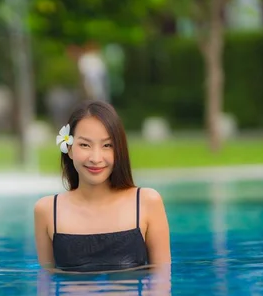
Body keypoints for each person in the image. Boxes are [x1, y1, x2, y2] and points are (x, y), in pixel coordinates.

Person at [34, 101, 171, 272]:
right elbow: (47, 284)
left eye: (107, 145)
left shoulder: (147, 202)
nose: (96, 158)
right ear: (69, 149)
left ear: (118, 150)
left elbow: (162, 282)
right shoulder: (47, 210)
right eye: (85, 145)